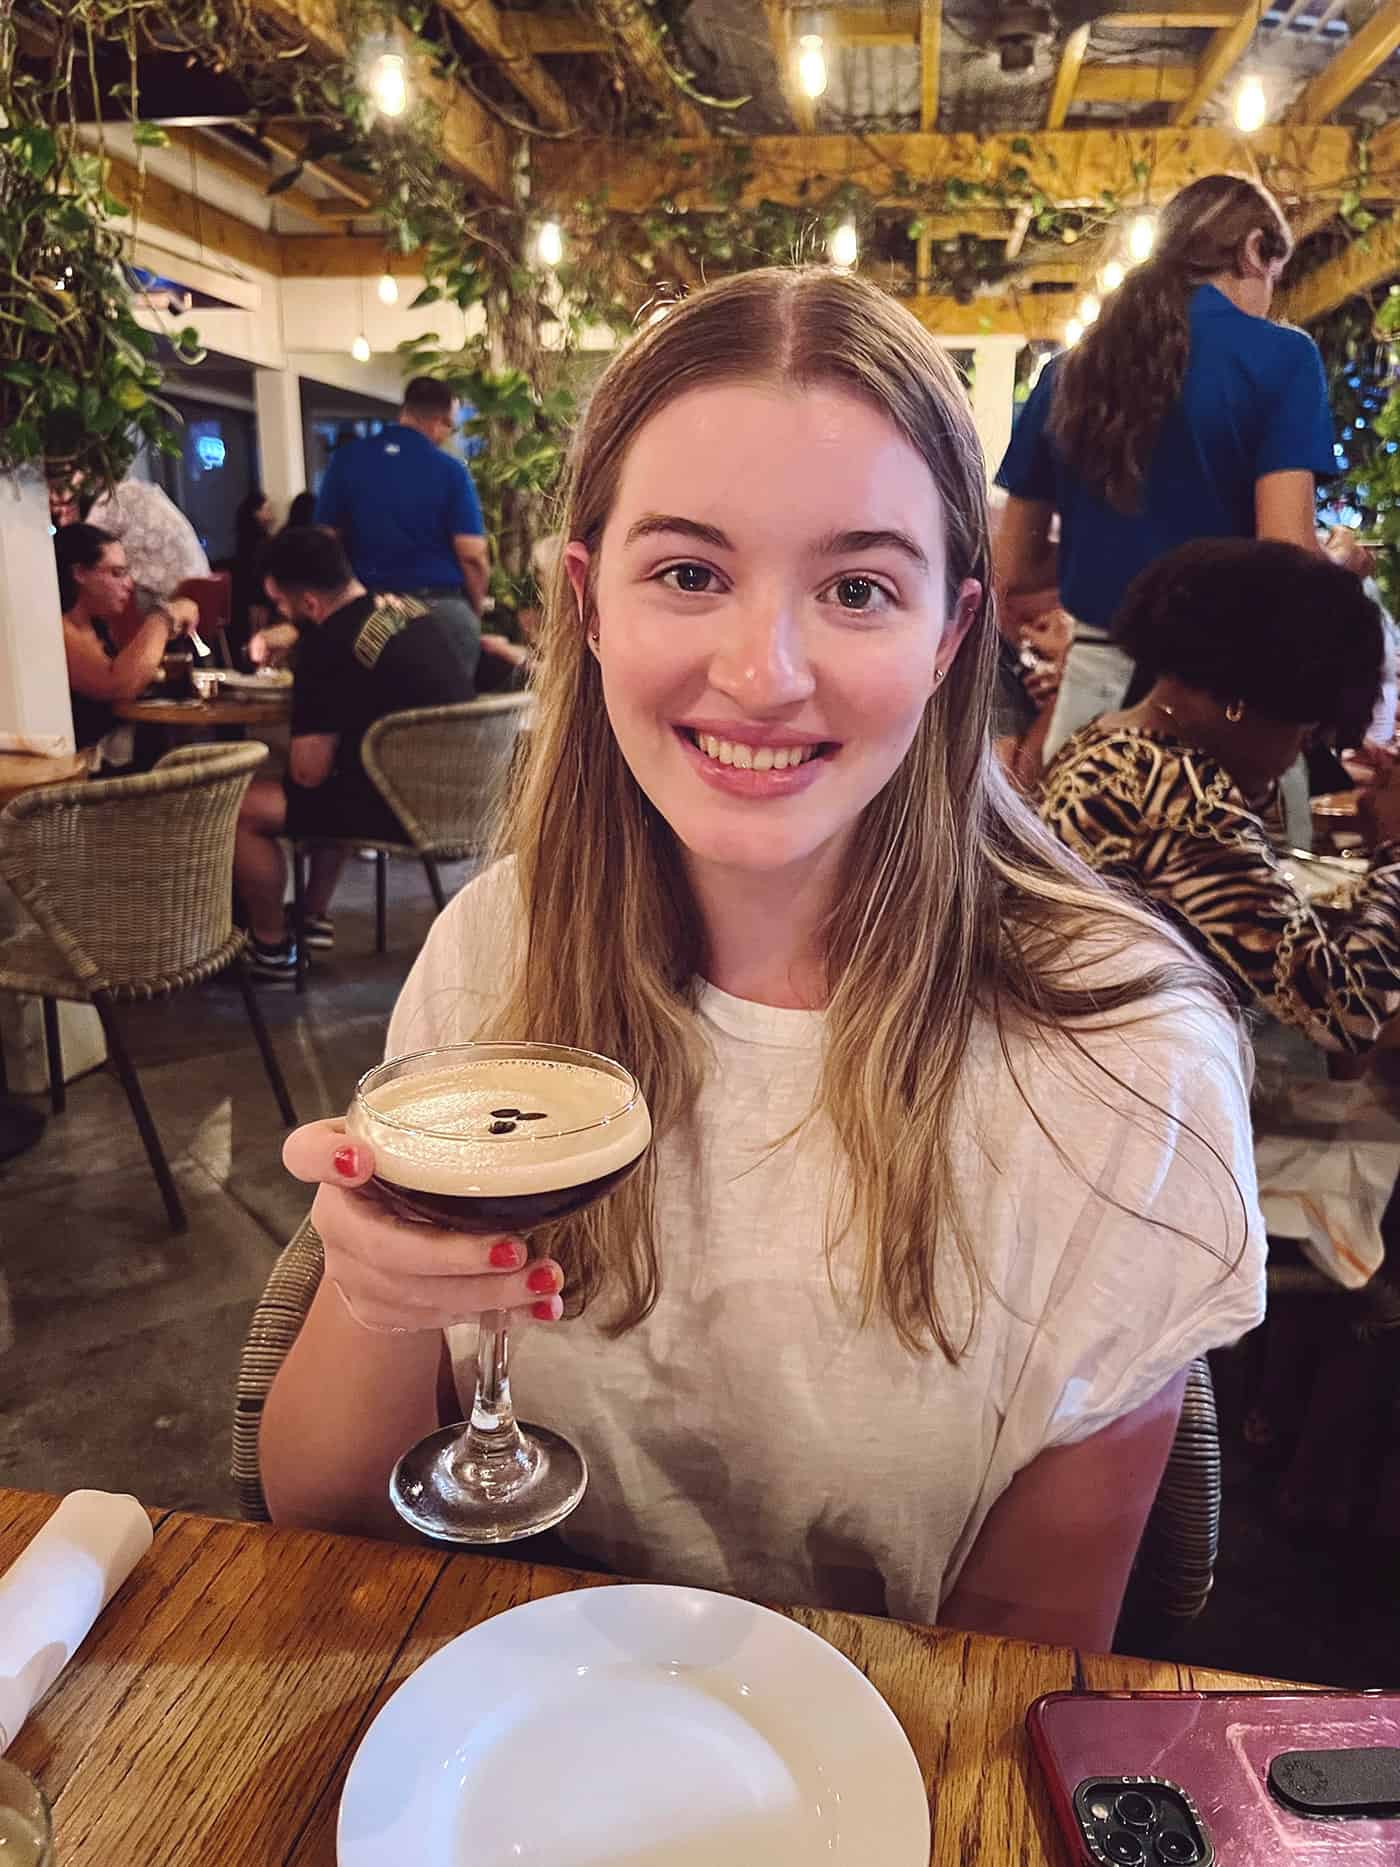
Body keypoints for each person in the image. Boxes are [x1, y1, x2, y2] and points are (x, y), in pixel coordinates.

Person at [260, 270, 1266, 1649]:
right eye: (689, 572)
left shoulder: (1123, 1057)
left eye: (856, 586)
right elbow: (319, 1520)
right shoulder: (495, 947)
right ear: (588, 602)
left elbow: (1013, 1670)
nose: (763, 670)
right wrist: (373, 1290)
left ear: (948, 636)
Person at [995, 174, 1373, 764]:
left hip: (1088, 713)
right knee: (1229, 859)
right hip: (1227, 707)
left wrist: (1096, 566)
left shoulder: (1066, 373)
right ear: (1253, 249)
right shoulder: (1282, 357)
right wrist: (1342, 564)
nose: (1268, 298)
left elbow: (1015, 568)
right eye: (1273, 278)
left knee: (1076, 855)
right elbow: (1287, 556)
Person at [1039, 538, 1400, 1054]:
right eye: (1306, 733)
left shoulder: (1115, 743)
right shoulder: (1179, 798)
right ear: (1242, 703)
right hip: (1106, 1080)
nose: (1298, 754)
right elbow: (1349, 1013)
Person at [233, 527, 479, 979]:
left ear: (309, 604)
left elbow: (308, 773)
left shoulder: (325, 648)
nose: (281, 615)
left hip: (402, 808)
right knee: (340, 777)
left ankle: (270, 949)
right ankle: (310, 918)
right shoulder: (412, 610)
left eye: (282, 605)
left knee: (243, 808)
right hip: (461, 795)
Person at [314, 377, 489, 652]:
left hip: (367, 613)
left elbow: (324, 542)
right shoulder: (449, 470)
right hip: (438, 611)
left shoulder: (346, 461)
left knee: (369, 696)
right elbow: (472, 554)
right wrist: (474, 610)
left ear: (405, 410)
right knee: (448, 695)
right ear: (439, 422)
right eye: (450, 428)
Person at [56, 524, 196, 762]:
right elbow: (117, 684)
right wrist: (164, 617)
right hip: (84, 778)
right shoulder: (58, 628)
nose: (129, 584)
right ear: (79, 573)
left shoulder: (97, 625)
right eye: (117, 573)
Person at [84, 475, 210, 607]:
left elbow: (83, 550)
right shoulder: (144, 490)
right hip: (200, 598)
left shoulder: (113, 499)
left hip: (166, 603)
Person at [225, 487, 277, 669]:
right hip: (257, 601)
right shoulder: (263, 545)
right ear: (255, 513)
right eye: (266, 509)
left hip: (245, 601)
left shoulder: (243, 543)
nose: (271, 515)